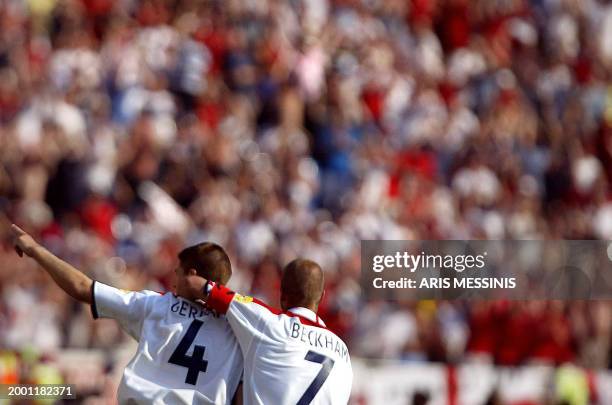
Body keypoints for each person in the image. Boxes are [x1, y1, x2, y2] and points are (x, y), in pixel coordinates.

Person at [10, 224, 243, 405]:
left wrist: (35, 250)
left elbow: (82, 287)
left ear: (192, 274)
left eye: (177, 273)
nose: (173, 282)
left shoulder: (156, 305)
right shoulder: (238, 331)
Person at [185, 258, 353, 405]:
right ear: (321, 296)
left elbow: (196, 284)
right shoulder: (343, 353)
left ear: (282, 295)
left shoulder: (268, 323)